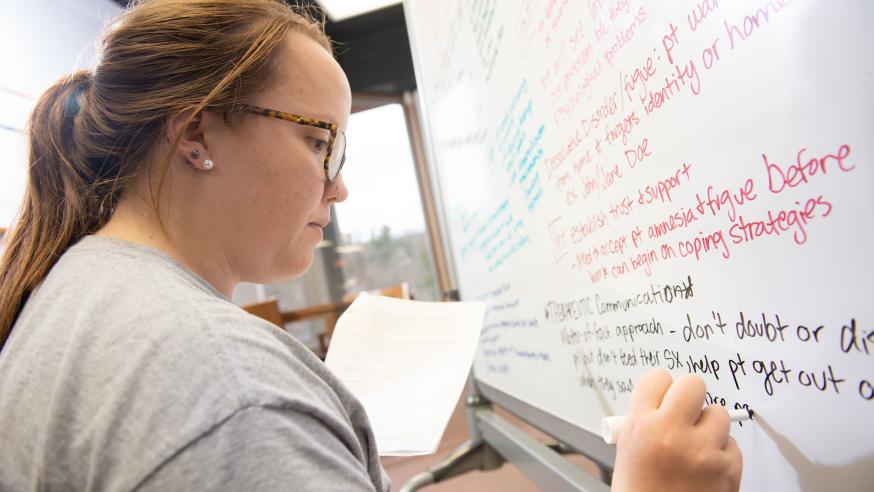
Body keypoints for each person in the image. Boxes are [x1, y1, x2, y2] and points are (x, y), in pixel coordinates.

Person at [0, 1, 742, 490]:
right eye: (319, 139)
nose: (339, 186)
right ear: (196, 134)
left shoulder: (80, 292)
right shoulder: (222, 382)